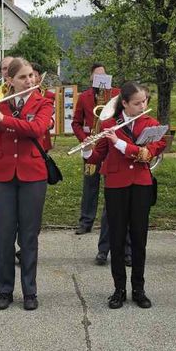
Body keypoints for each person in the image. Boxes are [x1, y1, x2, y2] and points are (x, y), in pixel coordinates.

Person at [0, 58, 54, 311]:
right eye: (23, 77)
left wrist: (1, 118)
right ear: (10, 80)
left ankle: (30, 291)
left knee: (29, 236)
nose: (29, 81)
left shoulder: (43, 102)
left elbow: (36, 129)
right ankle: (5, 290)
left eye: (31, 76)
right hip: (4, 177)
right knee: (4, 236)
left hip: (33, 176)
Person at [84, 82, 166, 309]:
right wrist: (87, 149)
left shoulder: (153, 125)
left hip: (141, 184)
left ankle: (139, 288)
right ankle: (118, 289)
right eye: (137, 103)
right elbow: (98, 156)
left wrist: (119, 143)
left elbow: (147, 154)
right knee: (117, 238)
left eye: (144, 102)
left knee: (139, 238)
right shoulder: (109, 124)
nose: (142, 106)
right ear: (125, 104)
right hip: (115, 185)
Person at [71, 64, 130, 266]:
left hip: (111, 146)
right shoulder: (84, 97)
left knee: (112, 187)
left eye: (103, 75)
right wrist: (85, 140)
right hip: (91, 146)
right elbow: (76, 122)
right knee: (90, 184)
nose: (100, 78)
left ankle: (110, 226)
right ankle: (86, 221)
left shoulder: (116, 94)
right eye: (97, 75)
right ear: (90, 78)